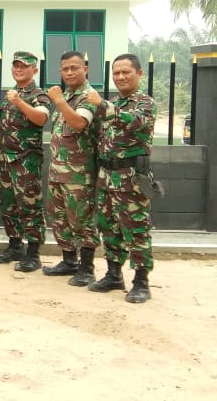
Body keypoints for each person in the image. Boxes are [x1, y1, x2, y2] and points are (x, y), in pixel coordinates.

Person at [85, 54, 156, 303]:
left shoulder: (144, 103)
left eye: (126, 72)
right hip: (106, 175)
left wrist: (102, 105)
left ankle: (141, 281)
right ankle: (114, 274)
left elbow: (136, 123)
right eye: (116, 73)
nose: (120, 77)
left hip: (130, 177)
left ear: (139, 74)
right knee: (108, 226)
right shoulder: (114, 103)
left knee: (135, 228)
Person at [0, 51, 51, 272]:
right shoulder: (11, 94)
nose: (18, 69)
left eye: (23, 66)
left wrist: (20, 102)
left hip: (26, 161)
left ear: (34, 70)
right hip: (6, 160)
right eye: (15, 66)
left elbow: (41, 118)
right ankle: (15, 246)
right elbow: (8, 126)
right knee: (8, 205)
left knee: (30, 206)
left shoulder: (39, 95)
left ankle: (33, 253)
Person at [43, 51, 100, 286]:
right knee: (59, 219)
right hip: (58, 171)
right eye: (65, 69)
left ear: (85, 69)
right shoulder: (66, 95)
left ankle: (87, 268)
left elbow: (78, 123)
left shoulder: (89, 96)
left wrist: (58, 101)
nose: (69, 72)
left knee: (81, 221)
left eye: (74, 68)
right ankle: (69, 261)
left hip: (79, 174)